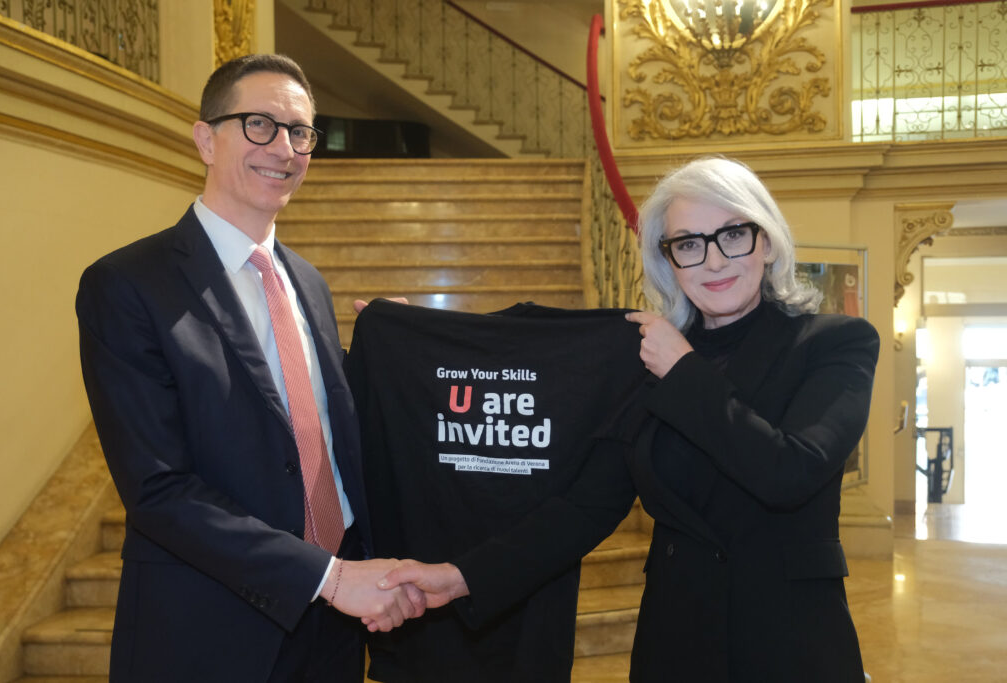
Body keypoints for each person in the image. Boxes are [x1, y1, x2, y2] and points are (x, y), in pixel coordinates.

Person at [377, 156, 879, 682]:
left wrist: (683, 371)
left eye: (733, 235)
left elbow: (790, 472)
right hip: (676, 645)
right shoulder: (648, 362)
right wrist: (460, 576)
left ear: (768, 242)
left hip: (791, 645)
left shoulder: (834, 343)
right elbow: (586, 507)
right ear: (668, 260)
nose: (713, 261)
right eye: (689, 244)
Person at [76, 54, 422, 683]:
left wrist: (387, 358)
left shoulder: (308, 282)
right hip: (213, 627)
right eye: (259, 124)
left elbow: (309, 423)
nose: (284, 148)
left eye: (301, 132)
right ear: (206, 140)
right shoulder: (127, 285)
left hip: (336, 630)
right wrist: (326, 577)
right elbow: (158, 490)